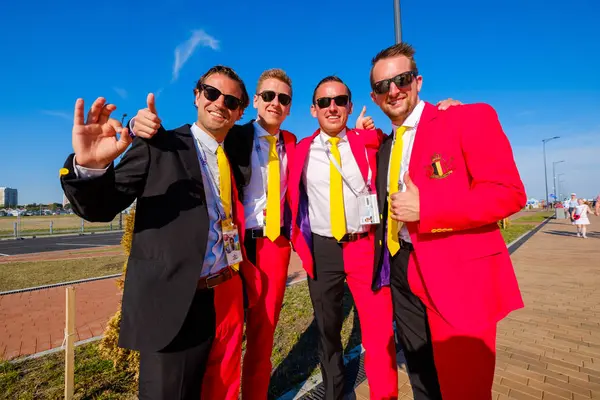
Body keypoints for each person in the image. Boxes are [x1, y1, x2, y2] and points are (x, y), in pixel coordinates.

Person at [59, 65, 260, 400]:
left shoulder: (231, 157)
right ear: (197, 96)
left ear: (239, 112)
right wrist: (91, 166)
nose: (220, 103)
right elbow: (101, 207)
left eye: (232, 101)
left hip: (224, 297)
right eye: (212, 93)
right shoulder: (160, 146)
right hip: (176, 306)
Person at [369, 42, 527, 400]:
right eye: (383, 86)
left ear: (418, 81)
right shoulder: (385, 145)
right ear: (375, 97)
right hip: (402, 269)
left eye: (402, 79)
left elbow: (509, 193)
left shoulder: (467, 118)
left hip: (459, 276)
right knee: (422, 378)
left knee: (464, 387)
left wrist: (429, 209)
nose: (393, 90)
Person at [288, 75, 398, 400]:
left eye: (339, 101)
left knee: (378, 335)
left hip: (365, 247)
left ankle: (384, 395)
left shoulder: (369, 141)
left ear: (350, 106)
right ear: (313, 110)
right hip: (322, 251)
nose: (332, 107)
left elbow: (401, 145)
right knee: (328, 334)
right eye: (324, 102)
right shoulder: (299, 152)